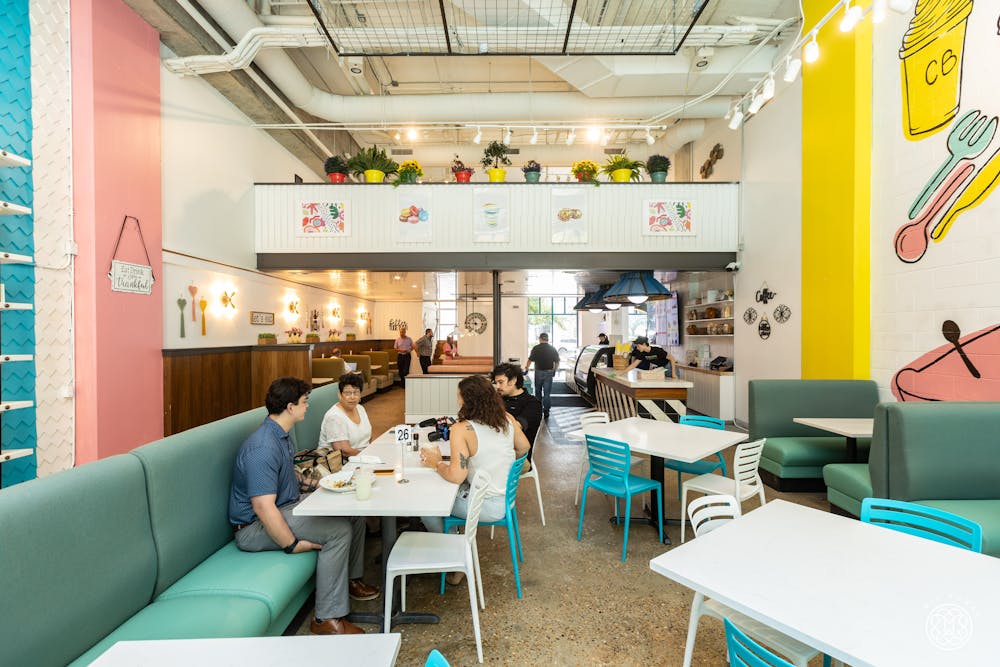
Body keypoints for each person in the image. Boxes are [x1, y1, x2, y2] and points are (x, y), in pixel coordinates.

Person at [228, 377, 378, 636]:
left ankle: (350, 580)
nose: (307, 406)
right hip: (254, 527)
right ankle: (326, 618)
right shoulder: (262, 447)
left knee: (352, 513)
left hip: (287, 506)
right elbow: (263, 507)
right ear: (290, 407)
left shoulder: (281, 436)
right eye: (304, 402)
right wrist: (292, 544)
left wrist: (322, 485)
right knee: (338, 531)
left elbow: (289, 477)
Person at [419, 375, 530, 535]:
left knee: (426, 503)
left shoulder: (461, 429)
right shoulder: (507, 418)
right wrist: (500, 461)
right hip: (506, 499)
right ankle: (452, 535)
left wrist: (437, 463)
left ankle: (451, 543)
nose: (458, 402)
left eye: (459, 397)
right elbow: (524, 447)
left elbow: (457, 476)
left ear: (469, 401)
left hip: (485, 505)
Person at [491, 363, 543, 466]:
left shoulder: (532, 404)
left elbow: (513, 429)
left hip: (518, 461)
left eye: (501, 382)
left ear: (513, 380)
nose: (497, 387)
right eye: (496, 383)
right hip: (494, 454)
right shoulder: (496, 400)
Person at [318, 372, 371, 458]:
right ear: (339, 394)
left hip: (360, 456)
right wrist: (368, 456)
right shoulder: (334, 417)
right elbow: (344, 452)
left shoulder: (360, 408)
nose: (352, 397)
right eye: (348, 393)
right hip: (341, 461)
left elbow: (368, 437)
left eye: (356, 392)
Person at [525, 332, 560, 419]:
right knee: (547, 393)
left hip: (538, 372)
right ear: (547, 339)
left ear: (540, 339)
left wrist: (526, 368)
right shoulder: (552, 349)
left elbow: (530, 360)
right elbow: (557, 362)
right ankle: (546, 411)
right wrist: (554, 370)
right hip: (549, 372)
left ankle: (538, 409)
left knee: (538, 391)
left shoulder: (536, 348)